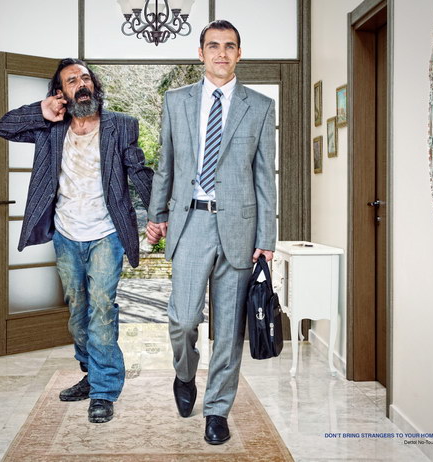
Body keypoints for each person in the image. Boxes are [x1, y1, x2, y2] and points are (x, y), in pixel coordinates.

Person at [0, 58, 153, 424]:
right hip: (66, 233)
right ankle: (91, 371)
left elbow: (138, 171)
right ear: (61, 93)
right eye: (71, 80)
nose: (81, 84)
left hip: (106, 233)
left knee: (101, 308)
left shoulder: (121, 125)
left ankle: (104, 390)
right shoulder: (50, 127)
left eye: (85, 77)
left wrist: (161, 215)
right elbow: (3, 127)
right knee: (78, 312)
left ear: (94, 85)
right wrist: (41, 110)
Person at [146, 20, 277, 444]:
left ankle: (217, 409)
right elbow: (166, 163)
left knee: (229, 329)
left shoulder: (260, 106)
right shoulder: (176, 101)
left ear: (240, 54)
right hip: (191, 223)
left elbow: (265, 178)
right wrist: (156, 214)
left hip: (239, 227)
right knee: (184, 319)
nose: (222, 53)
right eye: (214, 46)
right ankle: (185, 373)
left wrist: (267, 238)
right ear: (200, 53)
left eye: (230, 46)